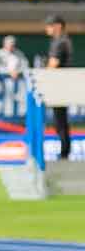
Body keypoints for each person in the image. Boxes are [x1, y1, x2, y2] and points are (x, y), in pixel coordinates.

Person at [45, 14, 73, 160]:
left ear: (58, 26)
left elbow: (53, 64)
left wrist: (44, 78)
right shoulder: (61, 40)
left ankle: (65, 152)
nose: (47, 28)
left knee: (60, 120)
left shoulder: (60, 42)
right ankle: (65, 150)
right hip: (61, 85)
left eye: (50, 25)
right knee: (60, 120)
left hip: (59, 85)